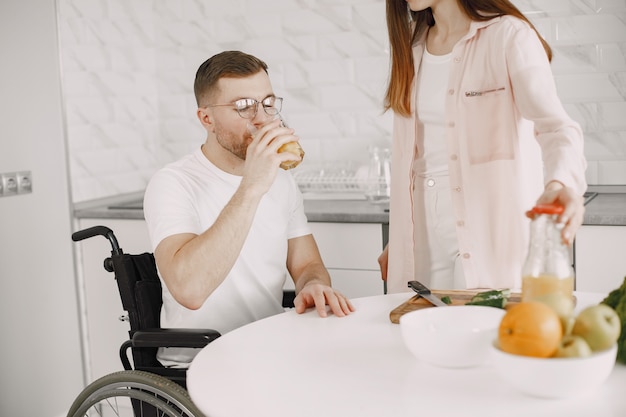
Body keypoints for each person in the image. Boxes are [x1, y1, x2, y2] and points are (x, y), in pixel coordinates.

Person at [144, 50, 354, 367]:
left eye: (268, 103)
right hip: (199, 363)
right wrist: (252, 186)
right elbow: (190, 290)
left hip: (268, 351)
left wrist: (313, 286)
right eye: (243, 106)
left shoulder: (281, 182)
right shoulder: (173, 182)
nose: (261, 118)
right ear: (206, 118)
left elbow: (307, 263)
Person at [379, 0, 587, 294]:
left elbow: (556, 127)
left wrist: (560, 181)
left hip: (490, 226)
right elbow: (418, 157)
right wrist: (402, 236)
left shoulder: (509, 35)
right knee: (420, 331)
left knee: (484, 327)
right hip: (422, 232)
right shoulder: (411, 46)